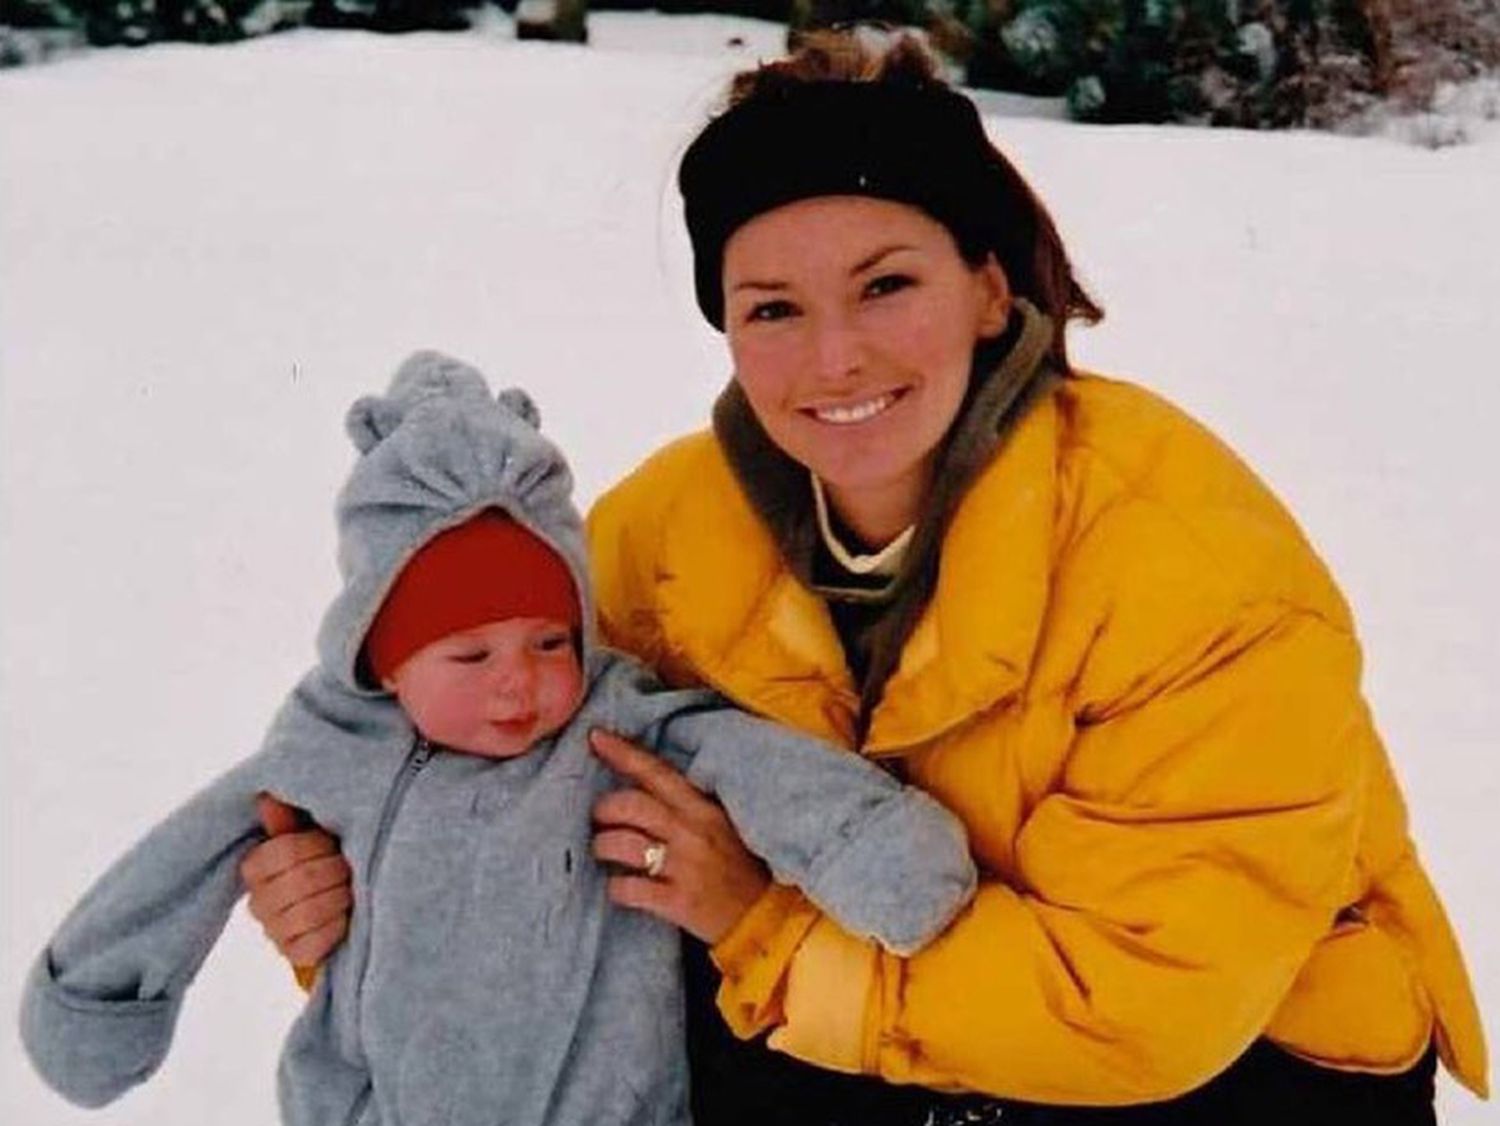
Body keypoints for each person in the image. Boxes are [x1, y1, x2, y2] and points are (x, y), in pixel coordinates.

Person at [242, 30, 1488, 1126]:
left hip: (1246, 1058)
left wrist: (761, 930)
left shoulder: (1184, 565)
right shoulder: (661, 537)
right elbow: (473, 769)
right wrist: (356, 899)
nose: (833, 357)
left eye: (886, 285)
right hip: (878, 1006)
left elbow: (1145, 1007)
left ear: (990, 289)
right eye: (773, 308)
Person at [19, 352, 979, 1126]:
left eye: (550, 640)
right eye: (470, 655)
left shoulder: (613, 725)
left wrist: (873, 847)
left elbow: (748, 760)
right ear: (387, 661)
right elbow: (188, 858)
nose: (519, 683)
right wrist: (99, 993)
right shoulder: (331, 743)